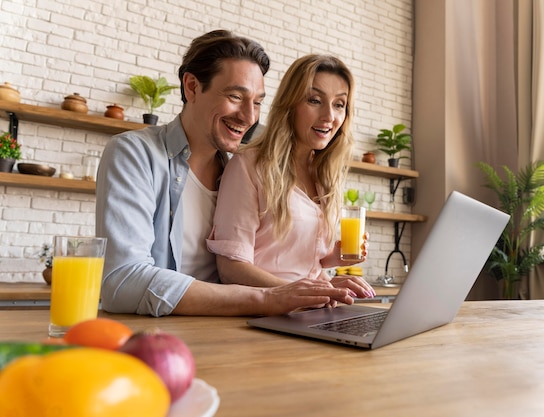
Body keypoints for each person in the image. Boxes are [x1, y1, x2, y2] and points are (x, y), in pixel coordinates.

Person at [96, 31, 355, 317]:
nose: (249, 117)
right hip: (158, 335)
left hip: (227, 331)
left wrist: (319, 286)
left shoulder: (241, 168)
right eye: (235, 96)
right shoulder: (135, 154)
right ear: (192, 87)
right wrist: (268, 298)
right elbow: (122, 282)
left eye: (257, 102)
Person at [207, 54, 376, 299]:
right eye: (315, 100)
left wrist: (333, 260)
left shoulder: (325, 176)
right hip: (263, 317)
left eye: (339, 104)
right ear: (290, 104)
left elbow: (302, 263)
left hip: (311, 311)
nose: (329, 116)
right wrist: (302, 292)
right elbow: (231, 269)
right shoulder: (248, 167)